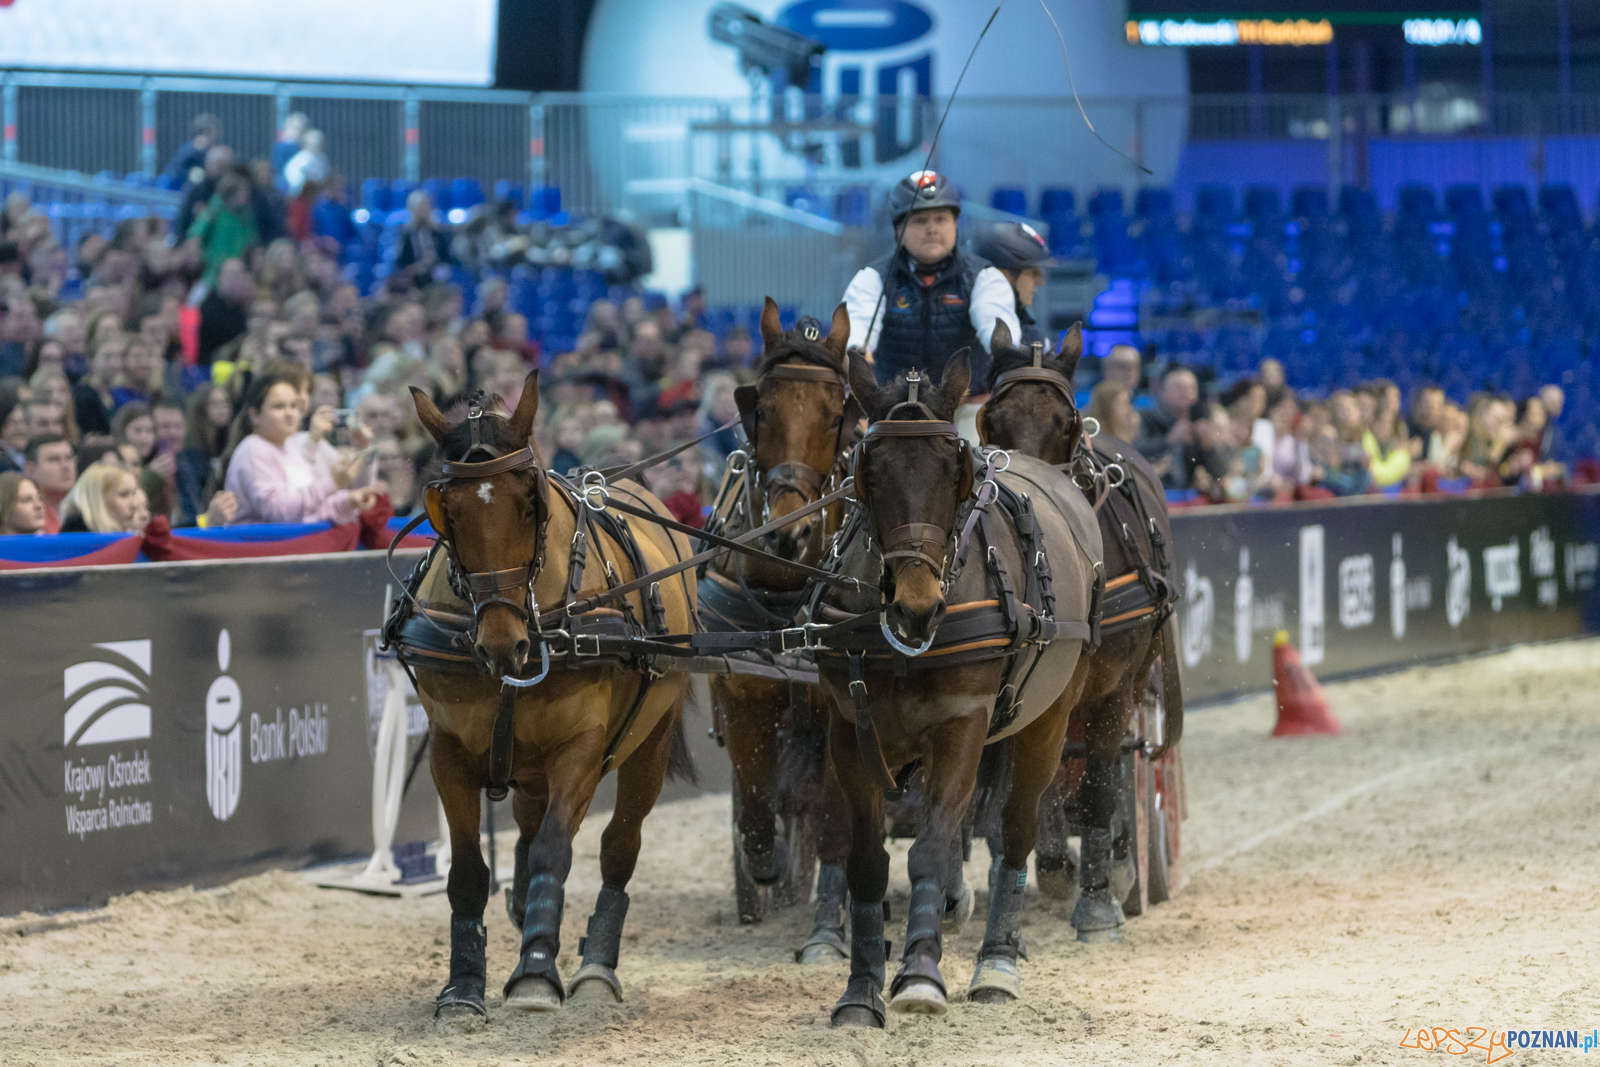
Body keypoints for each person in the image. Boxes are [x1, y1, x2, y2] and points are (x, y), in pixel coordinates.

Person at [841, 170, 1019, 391]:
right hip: (891, 408)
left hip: (966, 406)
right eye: (920, 221)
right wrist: (856, 350)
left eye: (941, 219)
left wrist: (1002, 348)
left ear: (955, 225)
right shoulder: (871, 278)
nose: (932, 229)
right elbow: (858, 324)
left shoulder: (985, 277)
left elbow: (994, 320)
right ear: (898, 231)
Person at [224, 375, 382, 525]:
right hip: (264, 548)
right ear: (255, 415)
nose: (290, 414)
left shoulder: (290, 446)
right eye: (279, 406)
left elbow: (312, 510)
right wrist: (332, 482)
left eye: (294, 406)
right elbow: (279, 511)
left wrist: (349, 500)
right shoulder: (253, 448)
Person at [974, 221, 1054, 349]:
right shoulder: (987, 304)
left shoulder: (1026, 325)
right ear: (1004, 273)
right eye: (1033, 272)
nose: (1041, 281)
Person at [189, 172, 261, 286]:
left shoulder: (246, 216)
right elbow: (196, 233)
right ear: (231, 193)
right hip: (213, 269)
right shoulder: (214, 211)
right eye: (242, 191)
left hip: (237, 267)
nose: (245, 195)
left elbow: (250, 240)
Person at [59, 462, 144, 533]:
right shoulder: (75, 533)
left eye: (134, 494)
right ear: (98, 499)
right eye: (124, 495)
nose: (134, 504)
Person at [198, 259, 253, 365]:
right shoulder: (210, 310)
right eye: (232, 275)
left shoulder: (238, 307)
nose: (237, 280)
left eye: (240, 275)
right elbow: (213, 355)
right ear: (219, 279)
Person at [23, 434, 75, 533]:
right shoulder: (24, 518)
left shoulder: (85, 510)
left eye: (69, 458)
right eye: (54, 459)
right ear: (31, 470)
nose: (65, 466)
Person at [163, 113, 221, 186]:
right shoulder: (199, 147)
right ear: (205, 130)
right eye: (215, 129)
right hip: (176, 189)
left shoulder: (189, 146)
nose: (217, 133)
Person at [0, 471, 46, 535]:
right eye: (26, 500)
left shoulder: (53, 543)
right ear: (4, 509)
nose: (39, 505)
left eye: (39, 498)